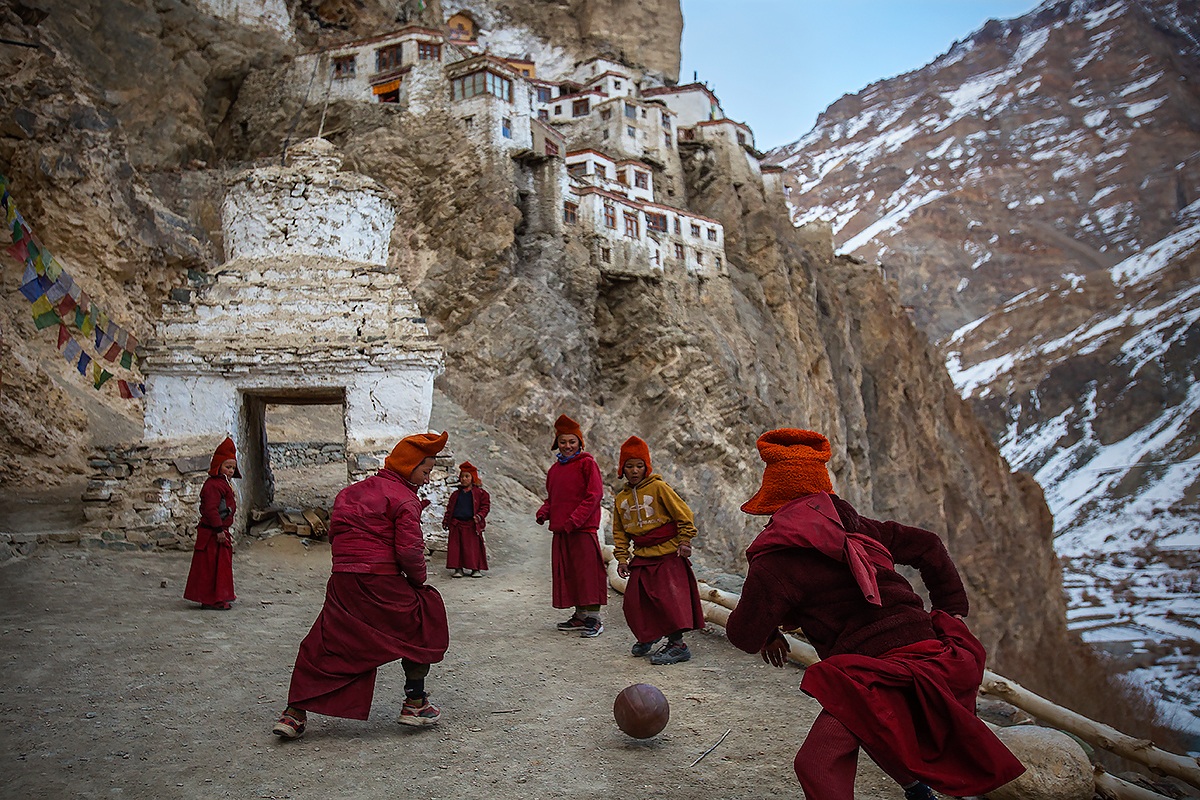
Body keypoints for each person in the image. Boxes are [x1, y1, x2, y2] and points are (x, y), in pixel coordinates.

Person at [725, 428, 1025, 800]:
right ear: (824, 494)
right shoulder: (863, 528)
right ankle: (918, 793)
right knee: (870, 722)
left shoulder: (775, 561)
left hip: (873, 674)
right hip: (935, 655)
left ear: (775, 502)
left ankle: (918, 791)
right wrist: (951, 612)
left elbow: (742, 635)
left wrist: (770, 630)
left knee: (817, 761)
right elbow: (929, 545)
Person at [272, 432, 451, 739]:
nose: (427, 477)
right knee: (425, 616)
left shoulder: (350, 493)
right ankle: (416, 703)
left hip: (342, 580)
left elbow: (335, 537)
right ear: (409, 467)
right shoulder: (404, 499)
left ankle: (293, 714)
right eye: (425, 470)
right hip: (379, 581)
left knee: (327, 640)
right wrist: (419, 581)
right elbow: (408, 551)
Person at [612, 436, 705, 665]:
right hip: (642, 556)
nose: (634, 471)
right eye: (629, 466)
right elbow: (620, 532)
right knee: (635, 601)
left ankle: (678, 645)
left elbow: (684, 515)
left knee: (669, 600)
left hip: (667, 554)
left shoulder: (659, 488)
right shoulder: (621, 499)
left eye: (639, 466)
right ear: (622, 469)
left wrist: (685, 541)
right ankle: (649, 635)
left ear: (647, 467)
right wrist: (622, 557)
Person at [535, 414, 607, 638]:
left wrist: (575, 520)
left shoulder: (587, 464)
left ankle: (594, 618)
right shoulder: (554, 470)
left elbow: (594, 495)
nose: (568, 446)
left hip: (582, 530)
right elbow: (553, 498)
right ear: (557, 443)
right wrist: (544, 511)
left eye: (572, 442)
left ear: (579, 443)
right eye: (563, 442)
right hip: (562, 531)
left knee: (587, 574)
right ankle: (580, 615)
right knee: (570, 574)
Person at [183, 436, 239, 610]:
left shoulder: (224, 483)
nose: (230, 471)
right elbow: (211, 510)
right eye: (227, 467)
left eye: (232, 468)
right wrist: (219, 530)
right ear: (218, 466)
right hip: (213, 534)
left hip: (219, 531)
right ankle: (211, 600)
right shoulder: (213, 486)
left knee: (219, 566)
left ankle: (217, 597)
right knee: (210, 567)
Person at [442, 460, 490, 578]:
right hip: (456, 524)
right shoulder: (455, 495)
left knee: (472, 548)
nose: (463, 479)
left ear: (473, 478)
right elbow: (450, 509)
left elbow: (485, 507)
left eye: (467, 476)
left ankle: (475, 569)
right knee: (456, 548)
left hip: (471, 525)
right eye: (462, 476)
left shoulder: (481, 494)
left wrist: (479, 516)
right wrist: (446, 521)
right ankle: (458, 569)